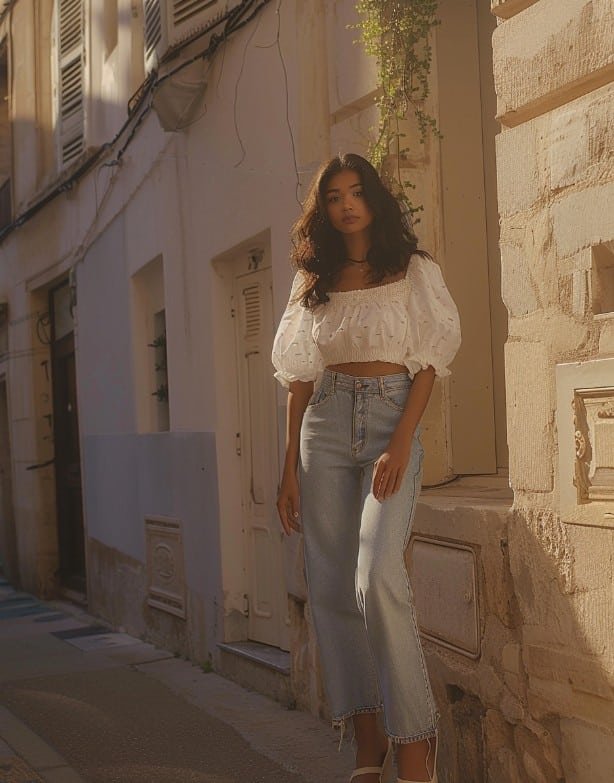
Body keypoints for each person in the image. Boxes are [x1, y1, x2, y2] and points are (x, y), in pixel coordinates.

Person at [272, 153, 461, 783]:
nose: (346, 204)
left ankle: (417, 739)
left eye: (356, 192)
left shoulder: (412, 270)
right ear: (322, 209)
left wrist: (404, 439)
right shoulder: (313, 280)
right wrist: (287, 469)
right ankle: (367, 741)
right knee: (329, 590)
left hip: (390, 418)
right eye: (333, 196)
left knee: (376, 577)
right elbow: (299, 376)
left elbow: (430, 359)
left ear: (374, 200)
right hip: (322, 426)